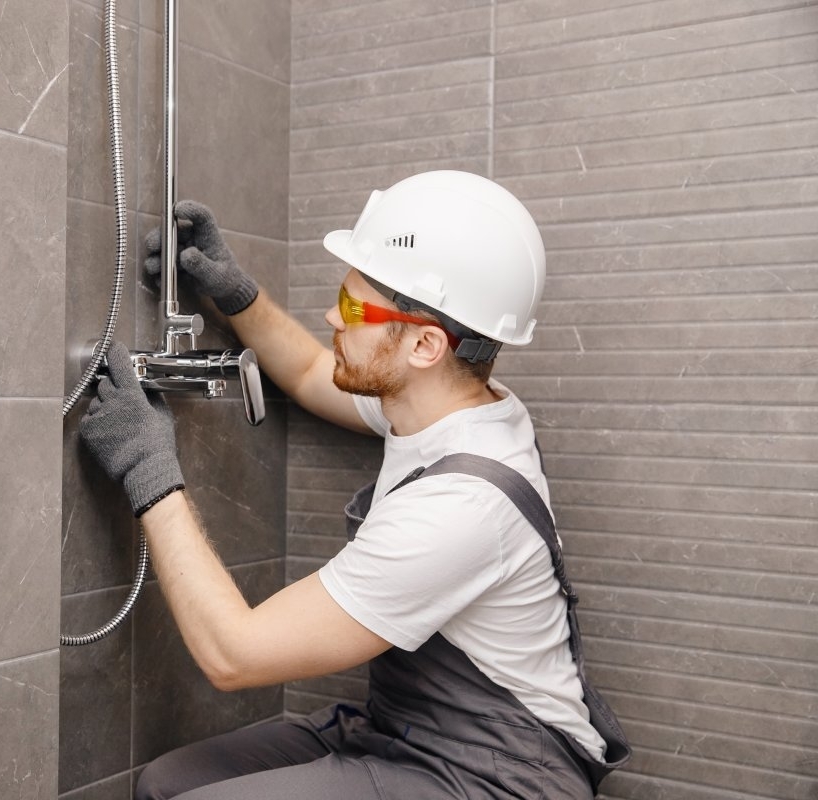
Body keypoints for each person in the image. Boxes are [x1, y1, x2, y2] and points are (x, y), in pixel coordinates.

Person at [79, 170, 629, 799]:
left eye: (350, 308)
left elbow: (234, 654)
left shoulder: (462, 509)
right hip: (407, 732)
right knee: (165, 784)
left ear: (425, 344)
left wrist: (148, 466)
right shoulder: (451, 403)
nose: (328, 318)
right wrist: (234, 293)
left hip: (501, 775)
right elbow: (317, 373)